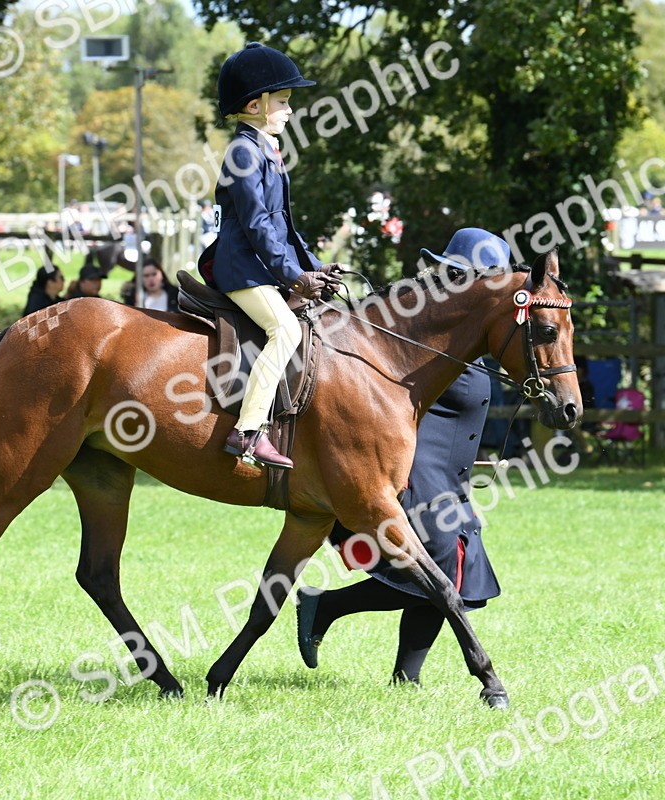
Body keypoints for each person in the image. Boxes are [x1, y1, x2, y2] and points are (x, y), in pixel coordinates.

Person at [295, 228, 511, 685]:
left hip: (449, 475)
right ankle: (338, 616)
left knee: (447, 574)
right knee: (442, 572)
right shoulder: (421, 327)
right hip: (414, 475)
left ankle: (396, 672)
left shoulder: (466, 327)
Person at [213, 42, 338, 470]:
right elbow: (258, 226)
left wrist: (315, 267)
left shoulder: (266, 149)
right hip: (239, 269)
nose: (289, 110)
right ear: (255, 104)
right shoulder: (244, 152)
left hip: (259, 267)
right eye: (282, 102)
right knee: (285, 330)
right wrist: (293, 276)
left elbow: (283, 224)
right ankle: (248, 432)